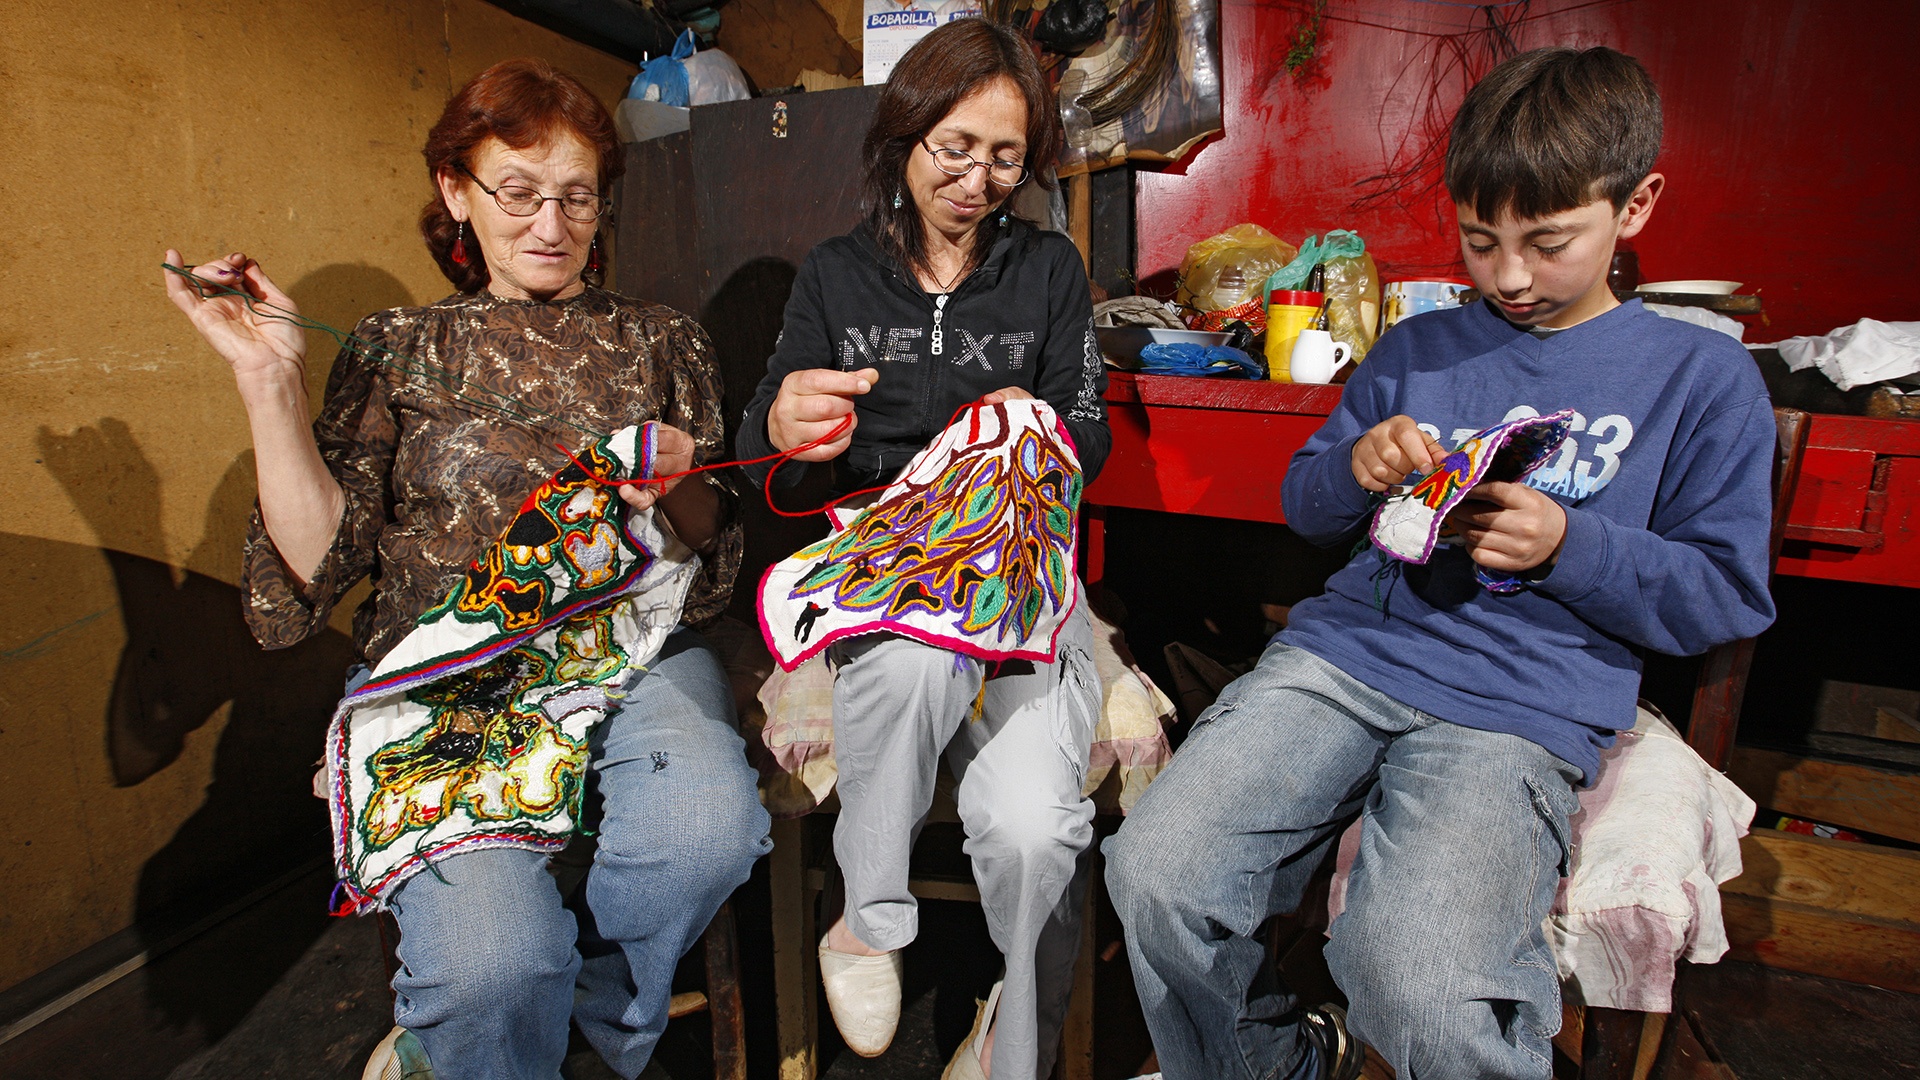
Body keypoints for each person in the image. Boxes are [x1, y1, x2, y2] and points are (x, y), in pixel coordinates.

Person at [1104, 46, 1778, 1080]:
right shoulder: (1419, 351)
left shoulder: (1700, 374)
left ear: (1634, 206)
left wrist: (1570, 546)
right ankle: (1275, 1063)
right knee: (1158, 871)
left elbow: (1723, 598)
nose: (1508, 275)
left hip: (1518, 709)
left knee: (1417, 978)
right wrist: (1356, 467)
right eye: (1479, 241)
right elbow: (1305, 506)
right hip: (1344, 662)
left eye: (1547, 242)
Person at [163, 58, 771, 1080]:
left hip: (633, 660)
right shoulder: (399, 347)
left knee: (706, 829)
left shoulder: (663, 342)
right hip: (450, 680)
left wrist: (675, 490)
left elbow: (711, 567)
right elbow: (317, 570)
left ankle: (579, 1020)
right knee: (493, 965)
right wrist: (269, 386)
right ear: (456, 191)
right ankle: (496, 1017)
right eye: (518, 192)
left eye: (576, 196)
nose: (550, 223)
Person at [736, 19, 1109, 1080]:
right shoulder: (836, 276)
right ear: (904, 136)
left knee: (1036, 830)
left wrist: (1027, 424)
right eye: (954, 147)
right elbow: (763, 439)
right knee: (908, 657)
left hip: (1020, 575)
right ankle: (868, 918)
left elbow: (1090, 429)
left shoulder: (1049, 271)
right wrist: (784, 426)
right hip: (892, 566)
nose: (978, 178)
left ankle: (1013, 1039)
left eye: (1004, 155)